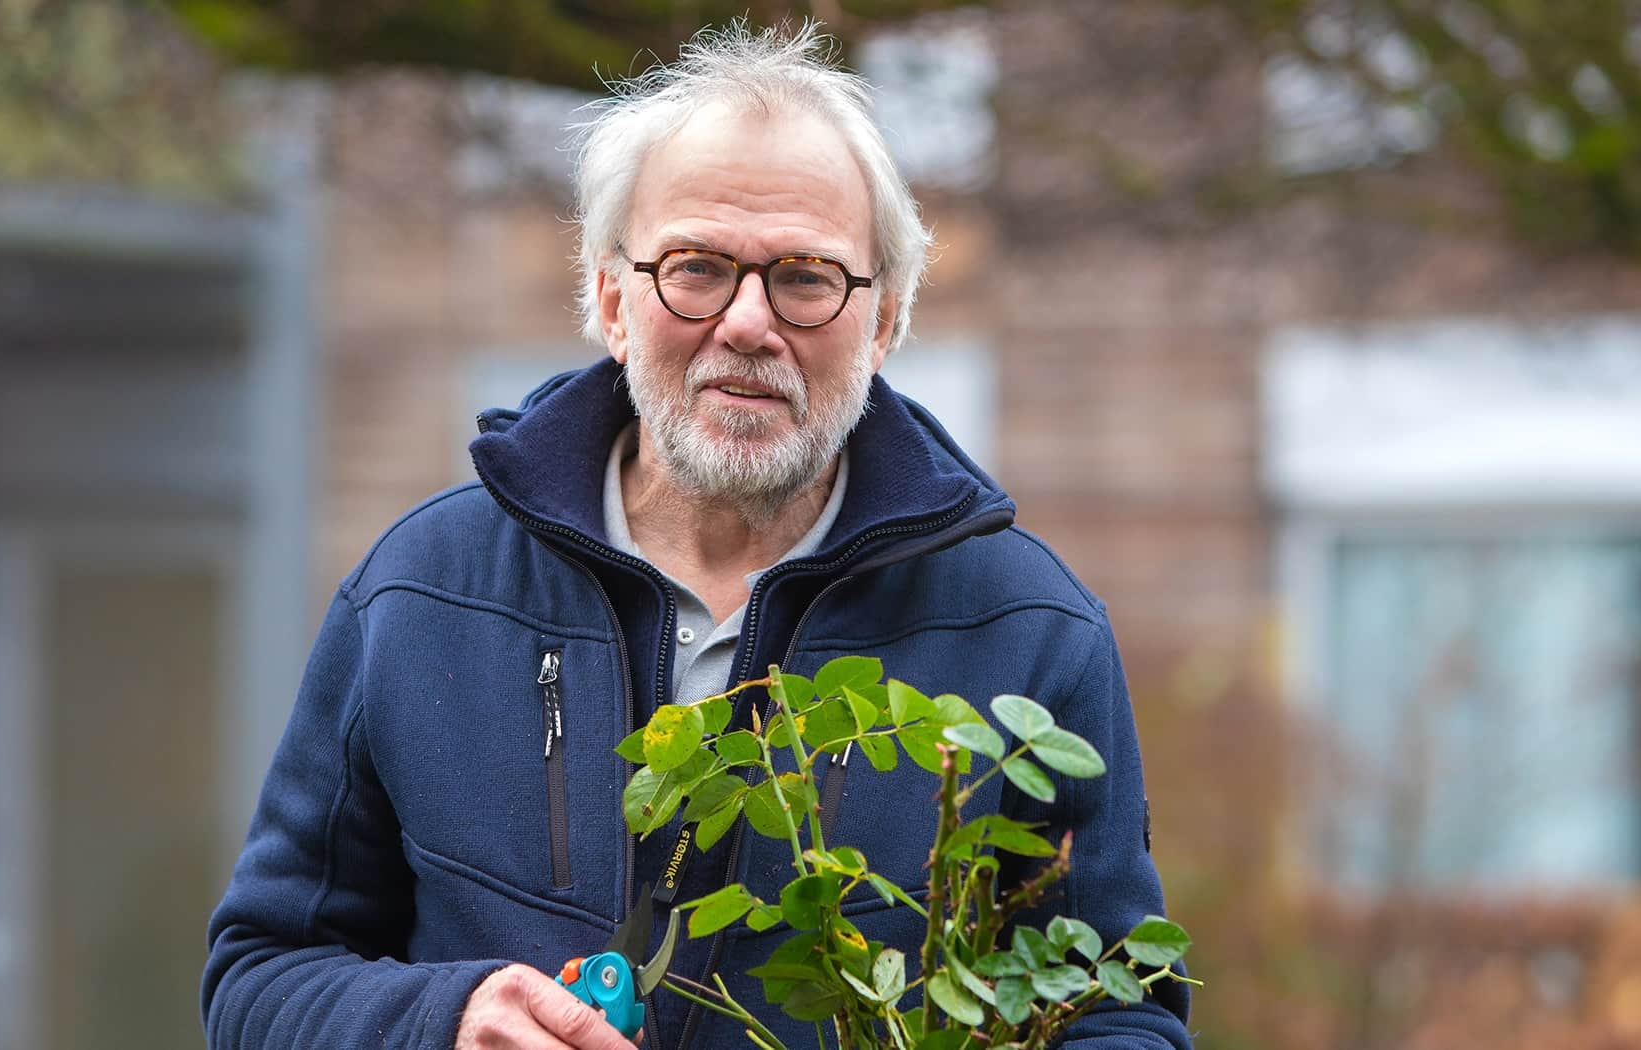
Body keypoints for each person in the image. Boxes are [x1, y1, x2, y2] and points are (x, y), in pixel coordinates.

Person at [202, 21, 1191, 1050]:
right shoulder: (419, 591)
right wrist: (441, 1022)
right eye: (696, 267)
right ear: (609, 297)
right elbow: (259, 979)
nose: (748, 323)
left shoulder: (1025, 629)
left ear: (884, 319)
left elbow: (1114, 1010)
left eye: (805, 276)